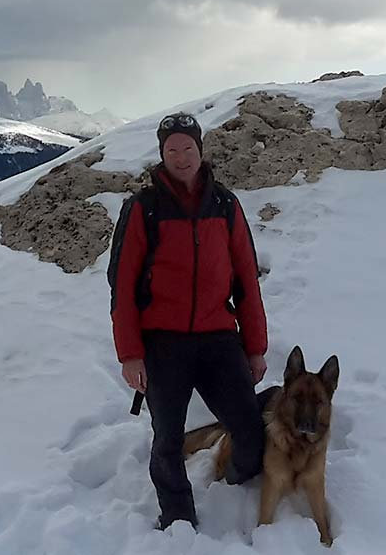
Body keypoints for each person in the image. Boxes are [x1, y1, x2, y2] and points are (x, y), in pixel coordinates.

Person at [106, 111, 269, 530]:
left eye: (188, 148)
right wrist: (130, 354)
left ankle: (238, 489)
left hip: (218, 338)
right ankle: (178, 518)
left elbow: (246, 279)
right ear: (162, 154)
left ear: (201, 149)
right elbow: (122, 288)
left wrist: (254, 347)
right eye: (172, 150)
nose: (182, 157)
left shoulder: (225, 205)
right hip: (163, 342)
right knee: (168, 441)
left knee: (249, 429)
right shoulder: (144, 209)